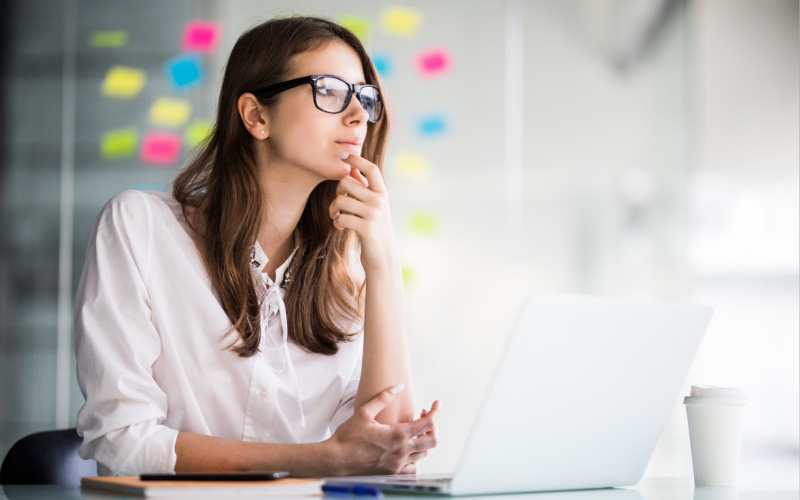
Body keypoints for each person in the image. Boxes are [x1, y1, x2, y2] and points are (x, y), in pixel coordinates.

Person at [74, 15, 441, 477]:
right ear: (256, 116)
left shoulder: (346, 278)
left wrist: (383, 263)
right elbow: (121, 440)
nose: (356, 116)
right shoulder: (139, 227)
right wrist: (319, 458)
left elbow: (388, 450)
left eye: (364, 98)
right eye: (328, 90)